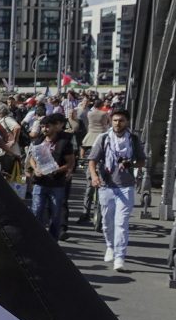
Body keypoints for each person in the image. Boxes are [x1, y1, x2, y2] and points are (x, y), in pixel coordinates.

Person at [88, 107, 146, 271]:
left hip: (126, 186)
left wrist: (131, 164)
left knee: (121, 223)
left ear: (127, 122)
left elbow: (142, 161)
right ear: (110, 121)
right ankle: (110, 246)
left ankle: (120, 257)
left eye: (121, 121)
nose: (118, 123)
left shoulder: (133, 139)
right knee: (107, 223)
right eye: (115, 120)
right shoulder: (104, 138)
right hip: (106, 186)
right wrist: (94, 176)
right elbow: (92, 160)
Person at [28, 112, 76, 241]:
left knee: (55, 214)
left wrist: (56, 170)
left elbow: (70, 162)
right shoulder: (38, 141)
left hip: (56, 184)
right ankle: (35, 238)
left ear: (55, 127)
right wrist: (35, 168)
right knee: (36, 211)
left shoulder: (64, 143)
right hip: (40, 182)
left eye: (47, 126)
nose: (45, 129)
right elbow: (32, 158)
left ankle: (53, 240)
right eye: (42, 126)